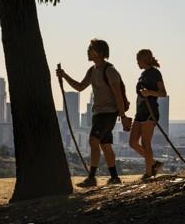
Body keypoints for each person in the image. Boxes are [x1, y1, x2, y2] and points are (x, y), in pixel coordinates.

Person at [56, 39, 129, 187]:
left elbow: (118, 95)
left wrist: (123, 116)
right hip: (98, 113)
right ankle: (114, 177)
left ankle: (91, 177)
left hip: (108, 113)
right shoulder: (93, 70)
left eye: (91, 49)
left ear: (100, 52)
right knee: (105, 145)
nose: (88, 51)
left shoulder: (110, 71)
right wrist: (64, 76)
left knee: (93, 141)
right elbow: (80, 87)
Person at [129, 49, 166, 180]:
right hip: (140, 112)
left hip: (150, 112)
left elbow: (163, 93)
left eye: (138, 60)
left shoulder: (155, 73)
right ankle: (153, 163)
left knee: (145, 143)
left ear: (143, 60)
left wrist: (149, 92)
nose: (136, 62)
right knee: (133, 142)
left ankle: (149, 173)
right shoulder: (142, 74)